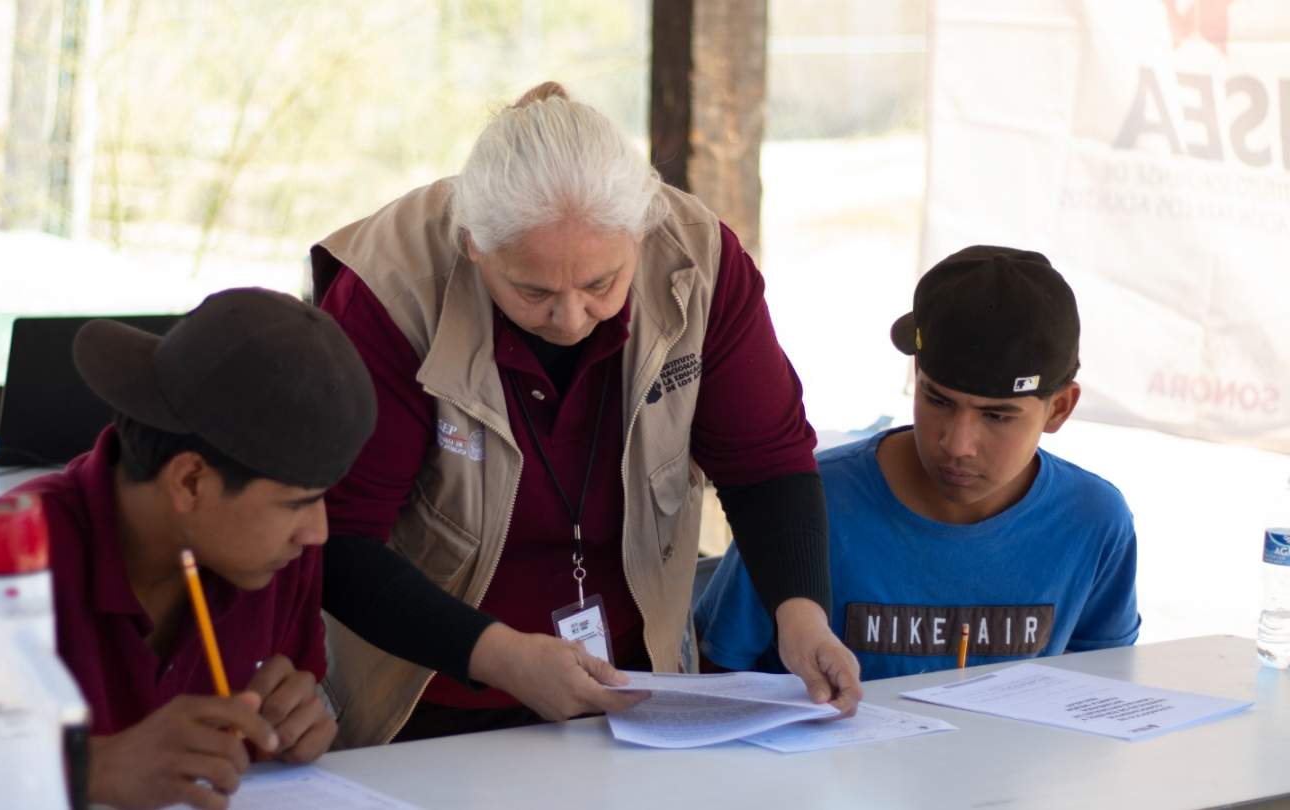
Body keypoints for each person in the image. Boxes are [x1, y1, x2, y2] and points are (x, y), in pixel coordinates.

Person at [310, 81, 862, 749]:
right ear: (474, 244)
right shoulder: (388, 289)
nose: (570, 318)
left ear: (639, 232)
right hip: (429, 695)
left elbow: (766, 463)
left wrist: (801, 613)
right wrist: (498, 656)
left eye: (601, 283)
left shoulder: (700, 262)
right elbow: (336, 538)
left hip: (633, 693)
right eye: (532, 289)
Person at [0, 288, 377, 810]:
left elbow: (283, 720)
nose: (318, 532)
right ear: (190, 481)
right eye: (296, 504)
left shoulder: (273, 561)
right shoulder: (19, 554)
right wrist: (92, 768)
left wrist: (298, 724)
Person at [695, 246, 1142, 681]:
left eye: (997, 415)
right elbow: (712, 675)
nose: (957, 443)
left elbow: (1104, 696)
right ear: (915, 376)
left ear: (1060, 408)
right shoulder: (806, 503)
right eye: (938, 400)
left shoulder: (1094, 522)